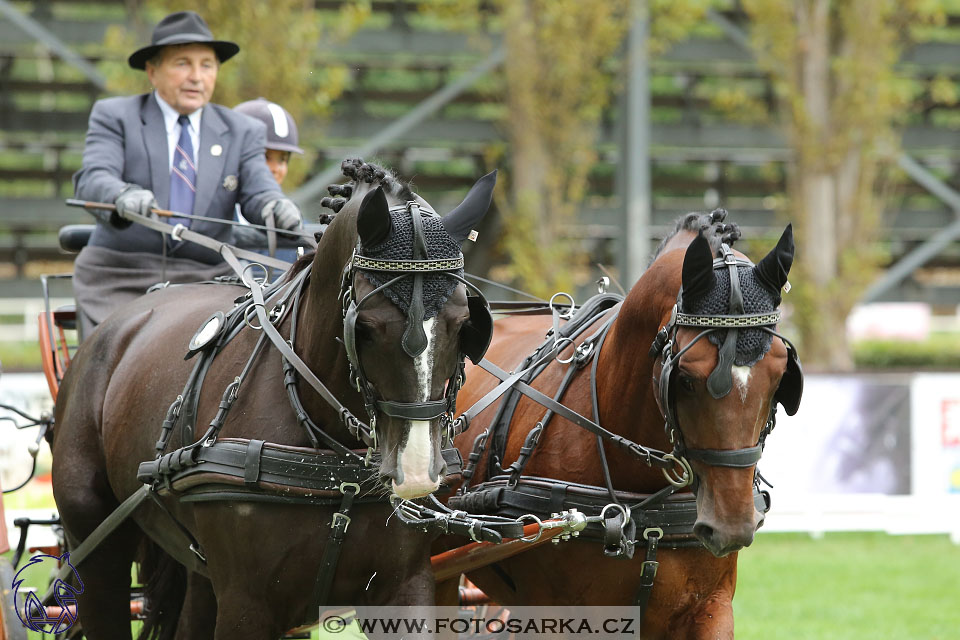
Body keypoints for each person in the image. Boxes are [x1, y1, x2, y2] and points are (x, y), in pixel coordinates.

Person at [71, 11, 301, 337]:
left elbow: (260, 192)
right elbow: (93, 177)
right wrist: (122, 196)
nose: (196, 76)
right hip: (120, 275)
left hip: (211, 276)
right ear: (152, 71)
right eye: (182, 63)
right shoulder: (114, 116)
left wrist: (274, 207)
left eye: (207, 65)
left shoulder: (242, 130)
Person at [233, 97, 304, 266]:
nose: (275, 168)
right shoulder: (209, 222)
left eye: (282, 159)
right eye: (264, 157)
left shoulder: (299, 229)